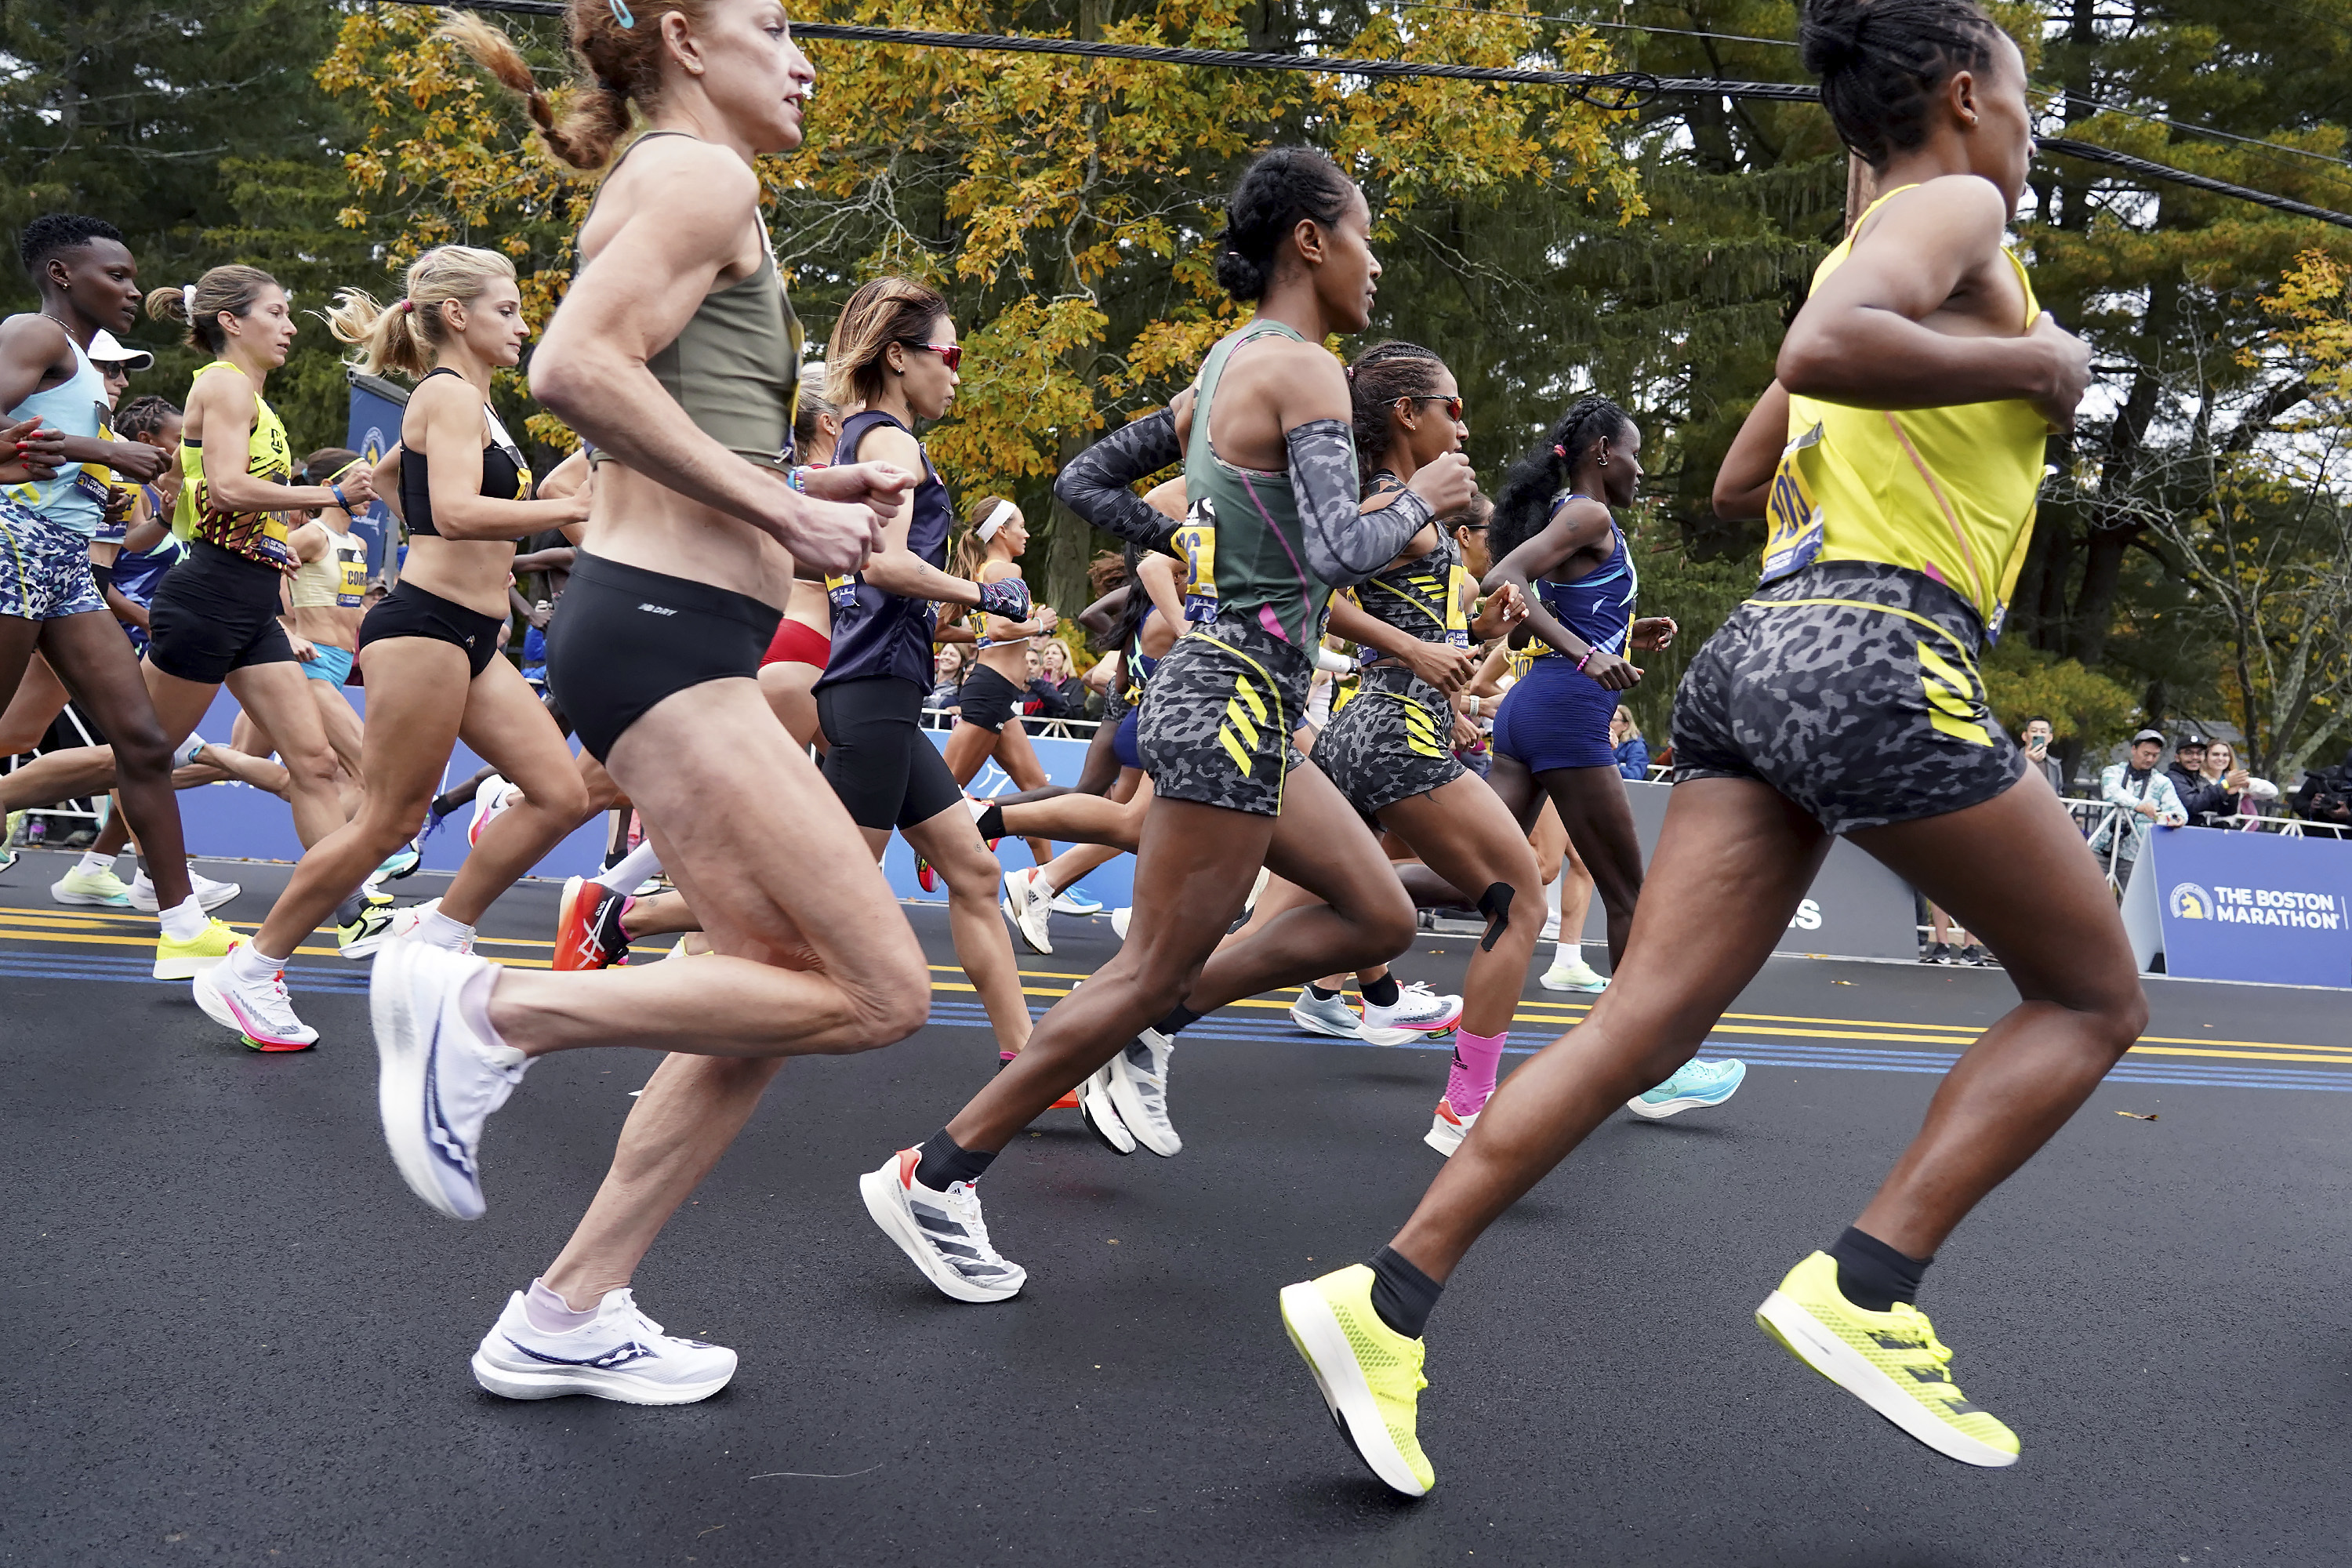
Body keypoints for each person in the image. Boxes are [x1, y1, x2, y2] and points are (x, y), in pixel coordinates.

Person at [1279, 0, 2145, 1494]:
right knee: (2093, 995)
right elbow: (1827, 343)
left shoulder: (1885, 235)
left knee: (1642, 1026)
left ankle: (1386, 1298)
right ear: (1961, 98)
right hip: (1881, 644)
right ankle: (1868, 1288)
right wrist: (2035, 369)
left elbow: (1747, 470)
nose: (2031, 120)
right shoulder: (1963, 210)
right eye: (2023, 91)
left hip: (1760, 655)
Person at [382, 2, 925, 1406]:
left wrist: (807, 490)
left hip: (667, 626)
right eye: (776, 26)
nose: (804, 60)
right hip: (672, 636)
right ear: (687, 36)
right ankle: (490, 1011)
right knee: (878, 991)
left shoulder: (673, 183)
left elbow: (653, 424)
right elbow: (574, 369)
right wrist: (774, 508)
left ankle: (569, 1308)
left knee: (760, 997)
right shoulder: (703, 174)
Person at [858, 145, 1469, 1302]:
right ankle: (936, 1174)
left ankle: (1154, 1023)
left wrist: (1178, 540)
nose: (1375, 264)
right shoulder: (1303, 370)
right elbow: (1342, 548)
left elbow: (1085, 476)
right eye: (1366, 235)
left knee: (1375, 911)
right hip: (1231, 699)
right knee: (1144, 970)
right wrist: (1418, 500)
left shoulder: (1224, 365)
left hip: (1244, 698)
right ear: (1310, 240)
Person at [196, 245, 597, 1049]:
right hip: (424, 627)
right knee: (385, 822)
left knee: (560, 793)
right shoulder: (445, 395)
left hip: (474, 635)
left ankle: (438, 934)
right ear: (457, 315)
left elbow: (400, 487)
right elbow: (452, 511)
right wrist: (580, 511)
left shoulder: (477, 405)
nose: (523, 324)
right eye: (508, 309)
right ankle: (249, 969)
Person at [1278, 338, 1537, 1150]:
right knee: (1520, 900)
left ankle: (1131, 1031)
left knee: (1261, 930)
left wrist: (1474, 629)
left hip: (1366, 729)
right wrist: (1414, 648)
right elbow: (1311, 585)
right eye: (1451, 409)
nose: (1463, 428)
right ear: (1406, 413)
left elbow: (1403, 611)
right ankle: (1466, 1106)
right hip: (1393, 731)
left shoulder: (1402, 507)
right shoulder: (1400, 503)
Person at [1479, 397, 1747, 1118]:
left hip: (1532, 708)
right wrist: (1588, 652)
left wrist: (1626, 638)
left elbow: (1567, 603)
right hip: (1565, 715)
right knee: (1633, 895)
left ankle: (1344, 904)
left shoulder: (1587, 522)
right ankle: (1650, 1075)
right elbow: (1502, 576)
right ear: (1601, 452)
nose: (1639, 467)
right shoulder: (1587, 515)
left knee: (1478, 877)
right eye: (1633, 452)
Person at [812, 277, 1045, 1068]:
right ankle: (623, 918)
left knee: (976, 871)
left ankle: (1028, 1061)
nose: (956, 371)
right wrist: (984, 592)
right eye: (949, 354)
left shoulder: (865, 436)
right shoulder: (889, 442)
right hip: (873, 690)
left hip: (881, 691)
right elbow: (884, 565)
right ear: (901, 356)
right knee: (816, 906)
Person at [0, 212, 240, 974]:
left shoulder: (76, 362)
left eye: (134, 276)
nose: (133, 290)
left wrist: (98, 487)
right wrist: (98, 448)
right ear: (63, 274)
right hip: (13, 547)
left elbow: (42, 450)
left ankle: (183, 923)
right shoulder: (32, 334)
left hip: (67, 563)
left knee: (142, 741)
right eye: (119, 275)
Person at [2092, 728, 2186, 885]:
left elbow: (2179, 812)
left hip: (2134, 853)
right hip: (2102, 846)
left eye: (2155, 755)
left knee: (2129, 902)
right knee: (2091, 896)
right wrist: (2139, 806)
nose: (2150, 759)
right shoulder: (2113, 772)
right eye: (2146, 754)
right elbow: (2111, 792)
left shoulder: (2162, 782)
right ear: (2134, 749)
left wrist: (2176, 819)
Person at [2198, 739, 2277, 829]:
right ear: (2205, 757)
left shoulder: (2235, 778)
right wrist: (2226, 785)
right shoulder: (2197, 779)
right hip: (2203, 828)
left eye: (2225, 755)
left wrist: (2247, 784)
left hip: (2231, 830)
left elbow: (2273, 792)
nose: (2220, 758)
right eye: (2215, 754)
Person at [2165, 733, 2228, 830]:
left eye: (2199, 753)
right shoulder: (2171, 778)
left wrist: (2232, 793)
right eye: (2188, 753)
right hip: (2178, 835)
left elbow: (2223, 810)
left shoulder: (2201, 779)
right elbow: (2192, 804)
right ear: (2177, 757)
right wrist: (2225, 786)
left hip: (2198, 834)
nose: (2195, 757)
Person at [2290, 746, 2352, 840]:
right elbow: (2298, 801)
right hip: (2316, 837)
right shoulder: (2325, 776)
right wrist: (2311, 807)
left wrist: (2348, 816)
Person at [2019, 714, 2063, 793]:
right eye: (2034, 731)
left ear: (2050, 738)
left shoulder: (2054, 765)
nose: (2038, 735)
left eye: (2043, 732)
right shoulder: (2012, 761)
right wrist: (2026, 761)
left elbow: (2058, 792)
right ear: (2024, 736)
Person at [1608, 705, 1648, 779]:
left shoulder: (1636, 745)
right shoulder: (1600, 743)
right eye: (1606, 720)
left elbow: (1635, 776)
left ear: (1625, 725)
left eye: (1613, 720)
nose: (1608, 724)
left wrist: (1607, 757)